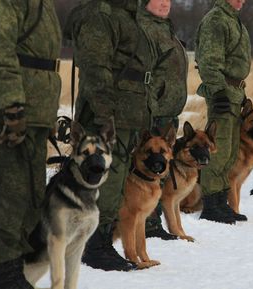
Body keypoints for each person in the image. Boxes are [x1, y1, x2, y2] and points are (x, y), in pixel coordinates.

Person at [0, 0, 62, 287]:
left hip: (34, 112)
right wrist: (12, 107)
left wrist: (43, 116)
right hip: (10, 115)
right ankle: (5, 276)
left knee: (30, 200)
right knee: (8, 200)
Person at [66, 0, 156, 271]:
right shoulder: (101, 14)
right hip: (108, 114)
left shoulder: (128, 15)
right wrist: (106, 115)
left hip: (127, 114)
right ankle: (94, 245)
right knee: (103, 176)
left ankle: (102, 239)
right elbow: (95, 67)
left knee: (115, 178)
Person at [195, 0, 251, 223]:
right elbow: (209, 61)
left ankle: (221, 201)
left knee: (229, 151)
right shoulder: (217, 19)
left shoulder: (234, 20)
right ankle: (210, 205)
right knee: (217, 150)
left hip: (234, 92)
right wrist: (218, 91)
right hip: (223, 92)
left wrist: (240, 92)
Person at [138, 0, 189, 240]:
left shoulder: (166, 29)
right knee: (149, 167)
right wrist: (150, 106)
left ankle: (154, 218)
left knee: (161, 169)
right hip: (154, 112)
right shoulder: (144, 29)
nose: (164, 4)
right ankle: (148, 223)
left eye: (167, 0)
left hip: (169, 112)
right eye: (158, 0)